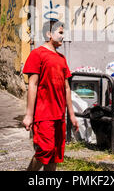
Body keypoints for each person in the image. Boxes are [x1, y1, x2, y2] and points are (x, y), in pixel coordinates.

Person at [22, 20, 79, 171]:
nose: (63, 36)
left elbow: (66, 87)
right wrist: (29, 115)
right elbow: (32, 85)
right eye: (60, 32)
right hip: (43, 113)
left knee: (54, 155)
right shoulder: (37, 54)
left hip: (59, 115)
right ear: (49, 34)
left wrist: (72, 115)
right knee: (44, 150)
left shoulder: (61, 59)